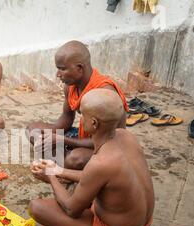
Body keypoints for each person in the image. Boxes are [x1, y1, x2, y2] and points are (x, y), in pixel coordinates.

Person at [29, 89, 154, 226]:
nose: (80, 119)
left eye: (82, 115)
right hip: (142, 223)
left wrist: (51, 177)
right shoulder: (126, 136)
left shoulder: (101, 162)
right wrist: (59, 170)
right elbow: (100, 177)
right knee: (82, 188)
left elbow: (71, 210)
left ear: (94, 123)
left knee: (36, 207)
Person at [26, 41, 129, 170]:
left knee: (75, 159)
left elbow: (107, 139)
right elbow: (66, 117)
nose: (58, 74)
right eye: (58, 68)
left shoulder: (104, 93)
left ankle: (65, 161)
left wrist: (62, 140)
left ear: (79, 68)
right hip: (83, 136)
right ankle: (61, 157)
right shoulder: (70, 86)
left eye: (62, 69)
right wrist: (50, 135)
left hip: (107, 145)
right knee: (33, 130)